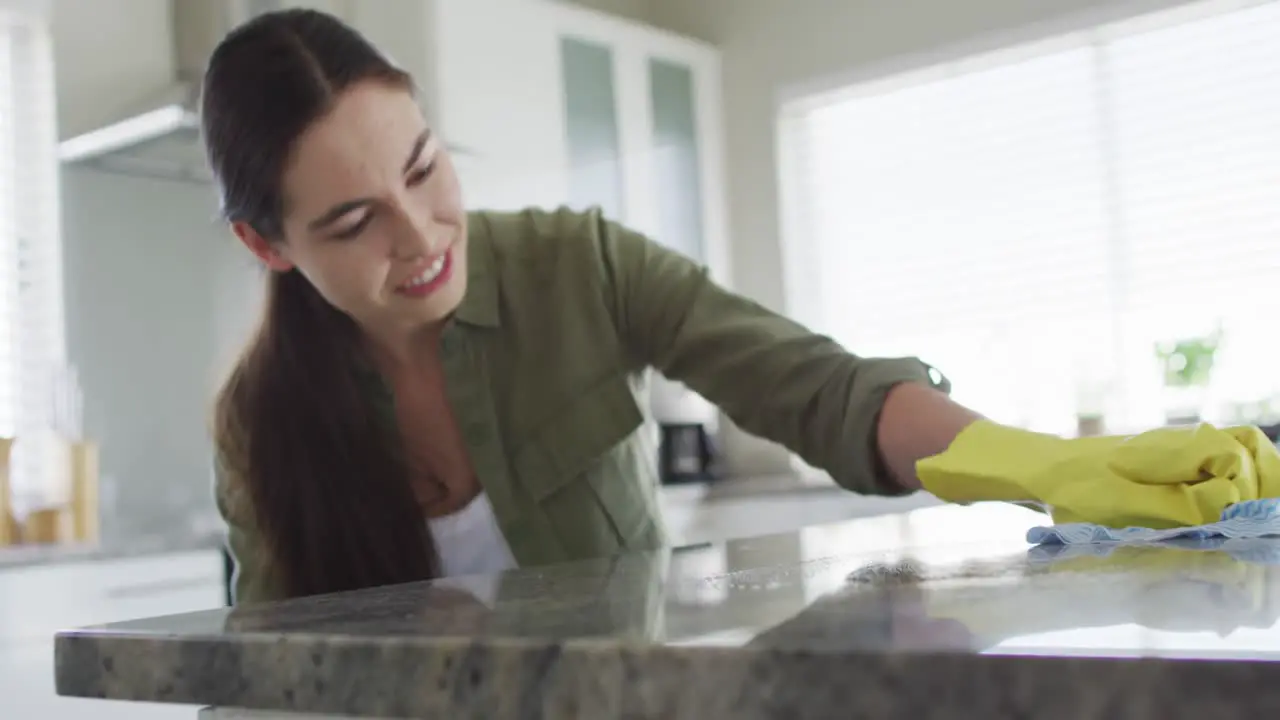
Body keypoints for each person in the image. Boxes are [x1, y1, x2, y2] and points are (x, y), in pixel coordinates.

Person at [208, 9, 1280, 605]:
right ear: (267, 245)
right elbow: (255, 671)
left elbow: (814, 389)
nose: (422, 233)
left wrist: (1041, 463)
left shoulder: (575, 263)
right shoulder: (261, 419)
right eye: (353, 224)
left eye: (426, 167)